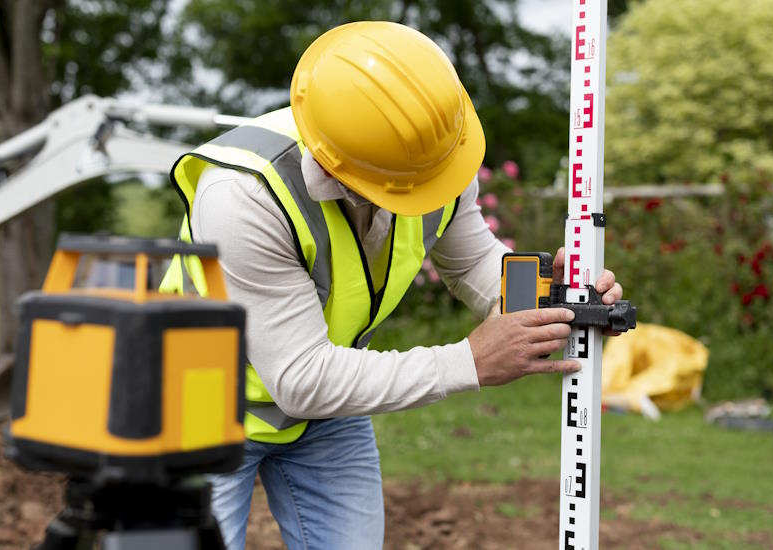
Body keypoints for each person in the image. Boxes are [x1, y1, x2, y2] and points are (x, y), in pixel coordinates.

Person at [162, 21, 623, 550]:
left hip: (326, 412)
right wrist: (468, 362)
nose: (434, 187)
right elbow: (300, 376)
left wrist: (557, 304)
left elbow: (473, 260)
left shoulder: (432, 156)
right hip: (198, 410)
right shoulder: (243, 196)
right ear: (342, 174)